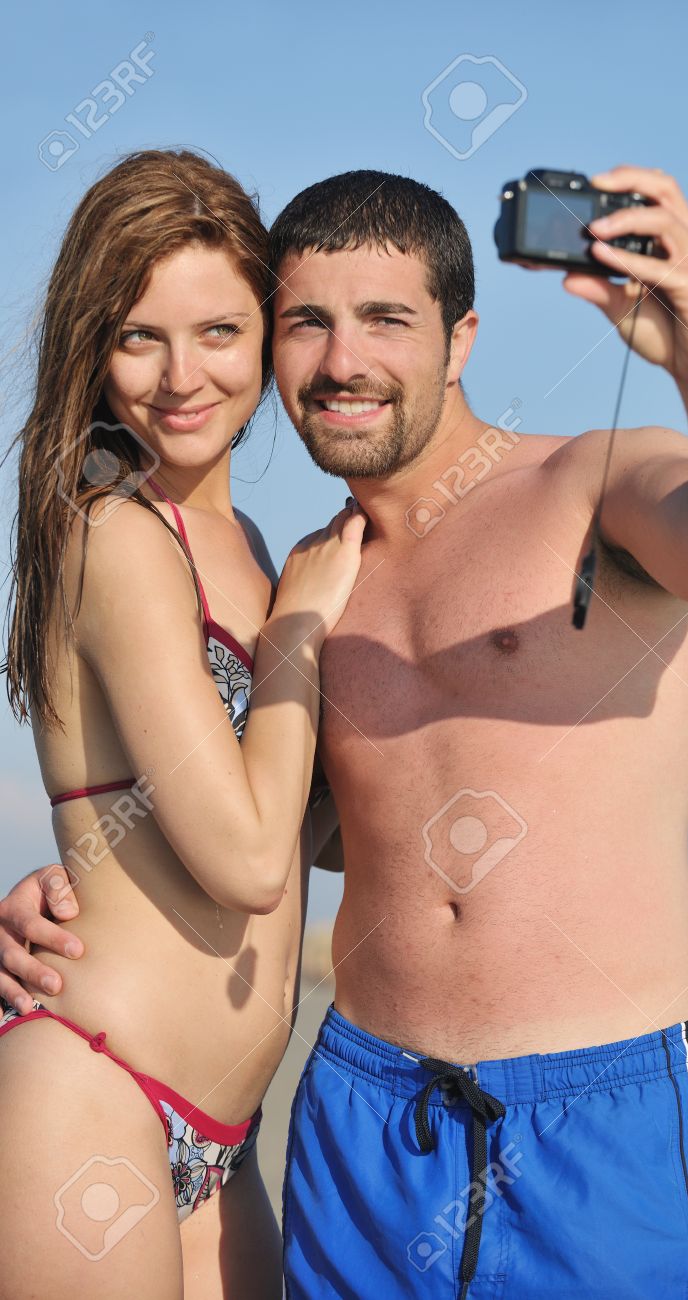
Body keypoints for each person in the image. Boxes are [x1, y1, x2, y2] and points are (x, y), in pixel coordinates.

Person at [2, 166, 688, 1298]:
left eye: (386, 320)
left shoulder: (582, 483)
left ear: (459, 337)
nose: (343, 362)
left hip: (600, 1109)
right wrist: (79, 871)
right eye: (307, 323)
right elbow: (273, 827)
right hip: (360, 1121)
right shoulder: (310, 580)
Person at [0, 148, 363, 1300]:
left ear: (267, 334)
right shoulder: (114, 534)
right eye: (137, 334)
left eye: (216, 330)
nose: (178, 375)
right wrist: (303, 631)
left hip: (221, 1137)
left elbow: (305, 830)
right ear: (89, 348)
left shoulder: (251, 548)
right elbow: (251, 860)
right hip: (93, 1094)